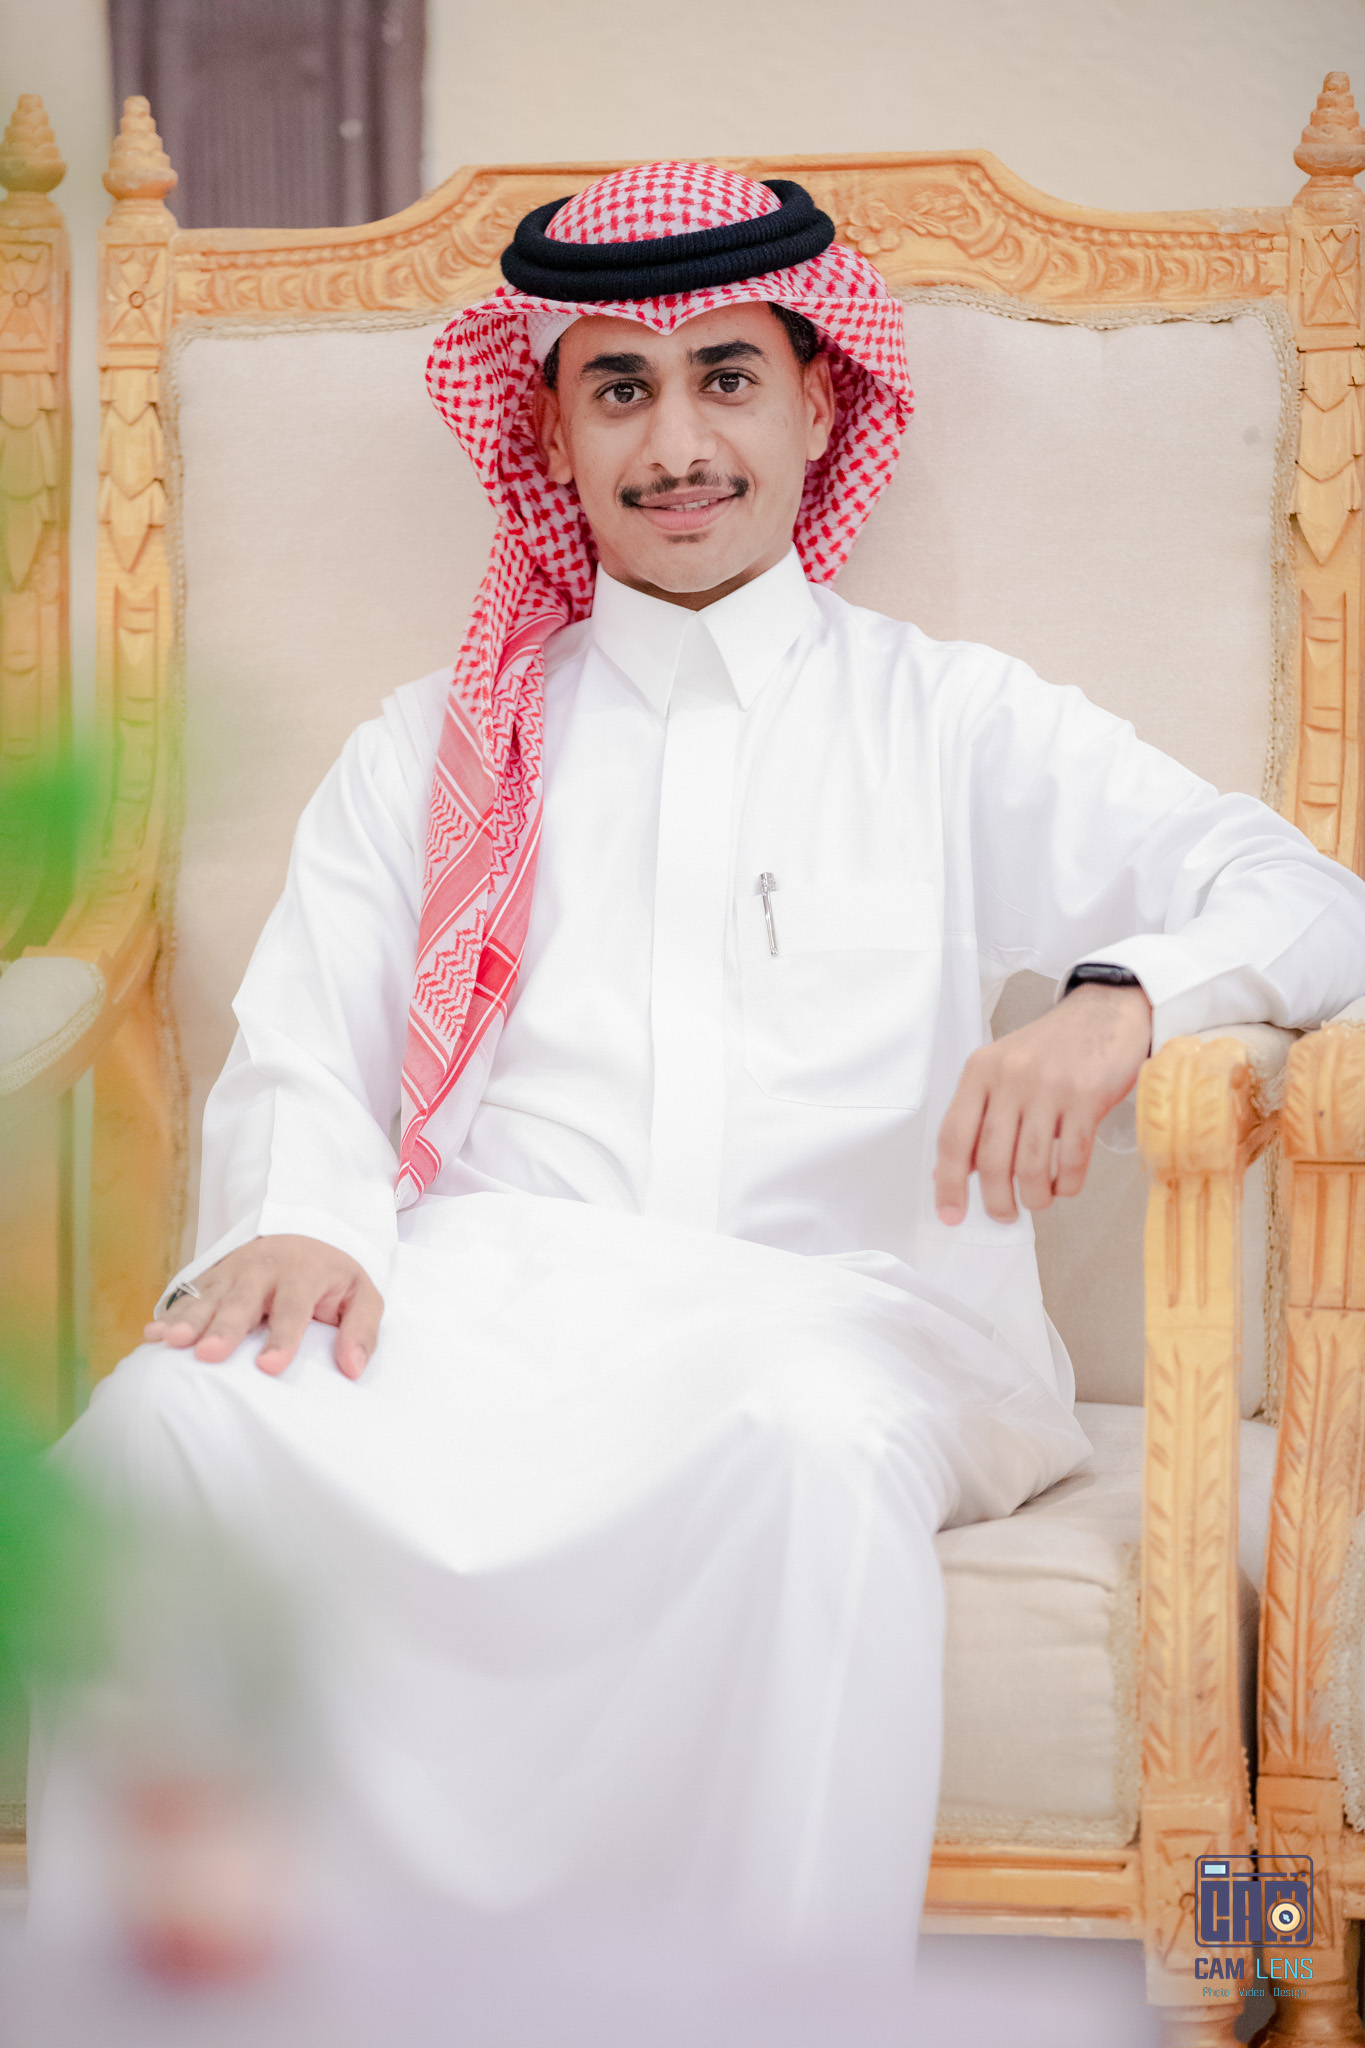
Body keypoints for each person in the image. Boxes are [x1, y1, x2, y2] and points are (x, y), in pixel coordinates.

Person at [30, 164, 1365, 1960]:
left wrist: (1120, 1000)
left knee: (800, 1444)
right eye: (619, 389)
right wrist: (299, 1216)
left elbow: (1312, 902)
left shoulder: (947, 720)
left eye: (725, 377)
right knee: (163, 1431)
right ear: (552, 433)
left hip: (847, 1323)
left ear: (819, 400)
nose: (675, 444)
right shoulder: (437, 744)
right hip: (500, 1309)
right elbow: (304, 1040)